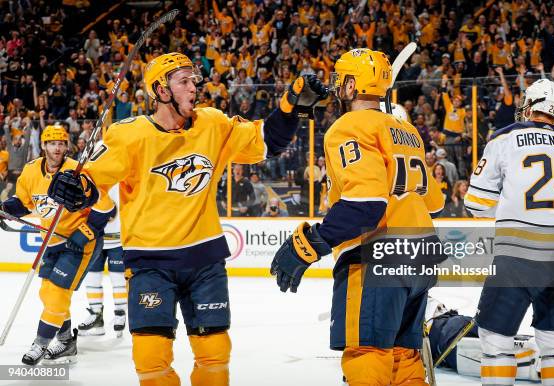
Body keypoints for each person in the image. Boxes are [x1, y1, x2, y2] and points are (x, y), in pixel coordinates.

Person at [47, 52, 327, 386]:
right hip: (149, 263)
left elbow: (267, 142)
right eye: (184, 81)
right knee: (151, 360)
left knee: (214, 355)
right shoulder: (128, 135)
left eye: (194, 79)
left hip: (204, 260)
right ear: (161, 91)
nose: (194, 86)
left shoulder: (213, 124)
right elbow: (93, 181)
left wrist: (289, 106)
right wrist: (73, 187)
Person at [270, 48, 445, 385]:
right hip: (421, 255)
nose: (336, 88)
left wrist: (308, 245)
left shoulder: (347, 127)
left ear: (352, 86)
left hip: (377, 256)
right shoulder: (408, 133)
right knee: (403, 359)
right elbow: (433, 202)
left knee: (368, 354)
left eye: (340, 81)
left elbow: (366, 204)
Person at [465, 78, 554, 386]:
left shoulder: (505, 138)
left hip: (519, 253)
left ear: (531, 105)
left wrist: (511, 213)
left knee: (495, 339)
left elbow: (475, 202)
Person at [0, 125, 115, 365]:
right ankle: (65, 341)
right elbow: (24, 203)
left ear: (67, 145)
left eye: (62, 143)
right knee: (46, 293)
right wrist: (4, 209)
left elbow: (106, 207)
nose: (57, 148)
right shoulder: (32, 171)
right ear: (43, 145)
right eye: (52, 143)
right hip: (51, 242)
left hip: (78, 244)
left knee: (57, 293)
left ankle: (40, 343)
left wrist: (84, 232)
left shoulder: (79, 170)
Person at [77, 178, 126, 337]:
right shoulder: (89, 178)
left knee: (118, 278)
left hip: (119, 239)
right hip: (95, 238)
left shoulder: (122, 177)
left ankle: (120, 314)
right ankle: (96, 316)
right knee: (92, 278)